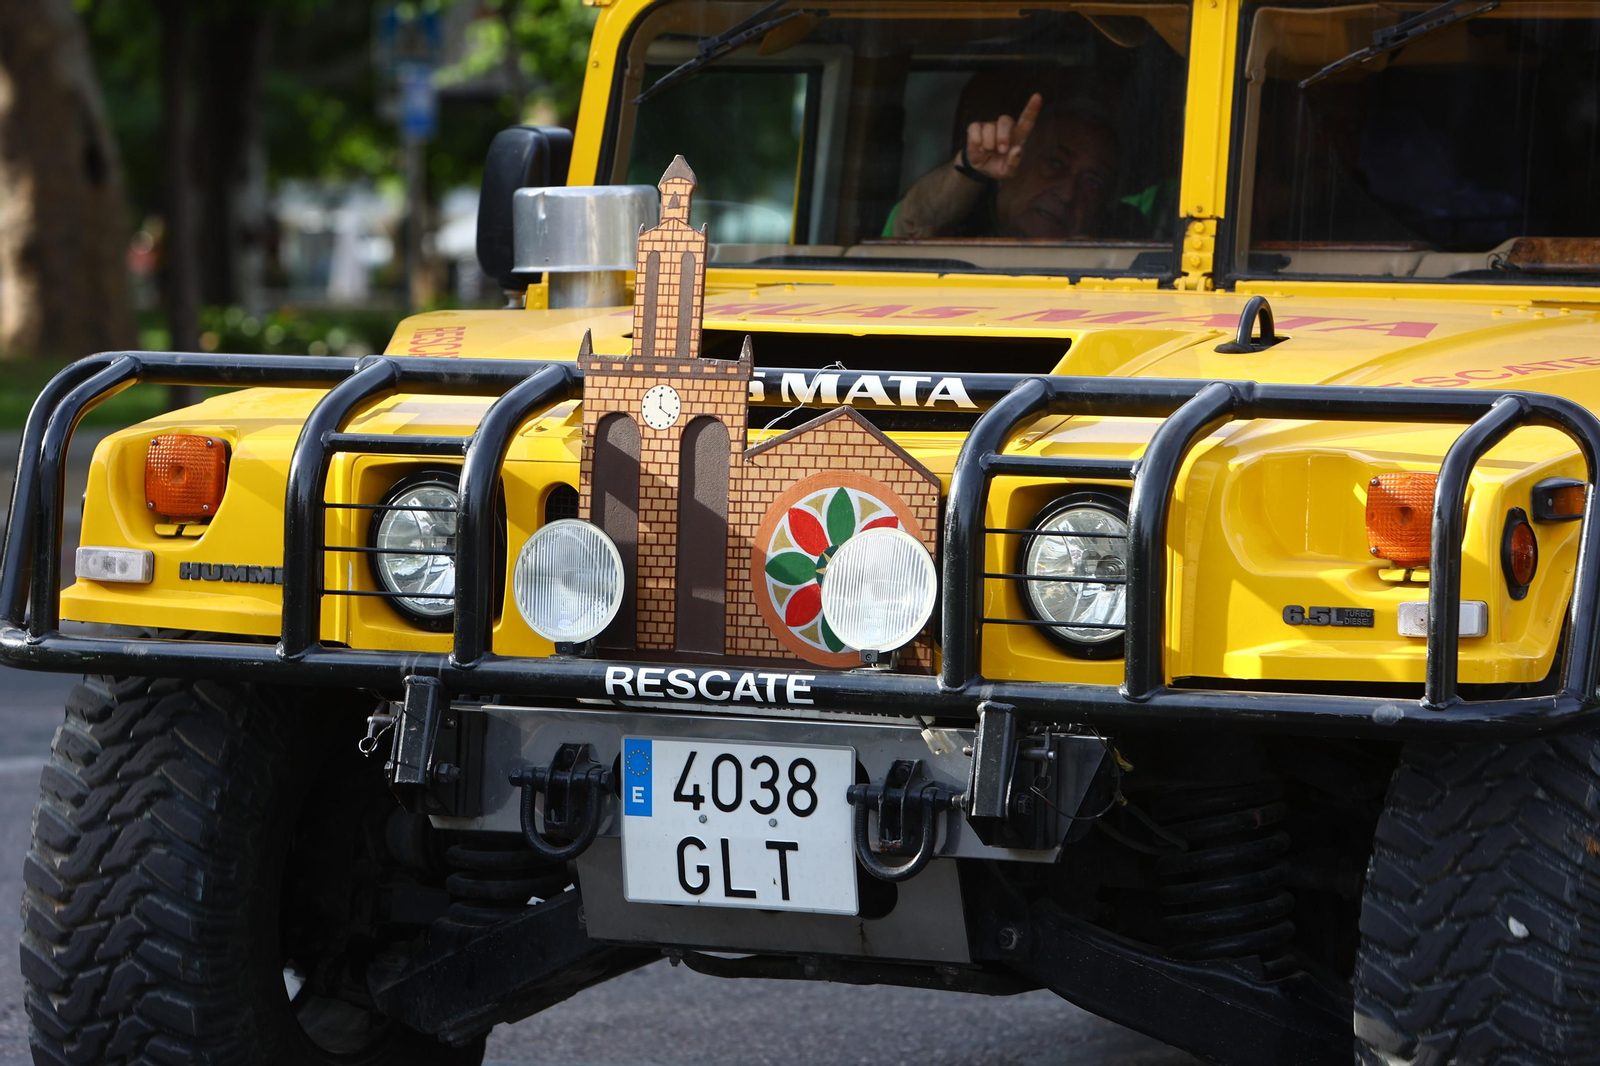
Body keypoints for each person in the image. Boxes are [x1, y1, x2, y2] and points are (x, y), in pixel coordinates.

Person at [886, 93, 1119, 240]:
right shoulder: (962, 221)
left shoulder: (1117, 262)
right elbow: (913, 225)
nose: (1067, 194)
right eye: (1055, 162)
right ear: (1015, 161)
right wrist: (969, 169)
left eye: (1092, 183)